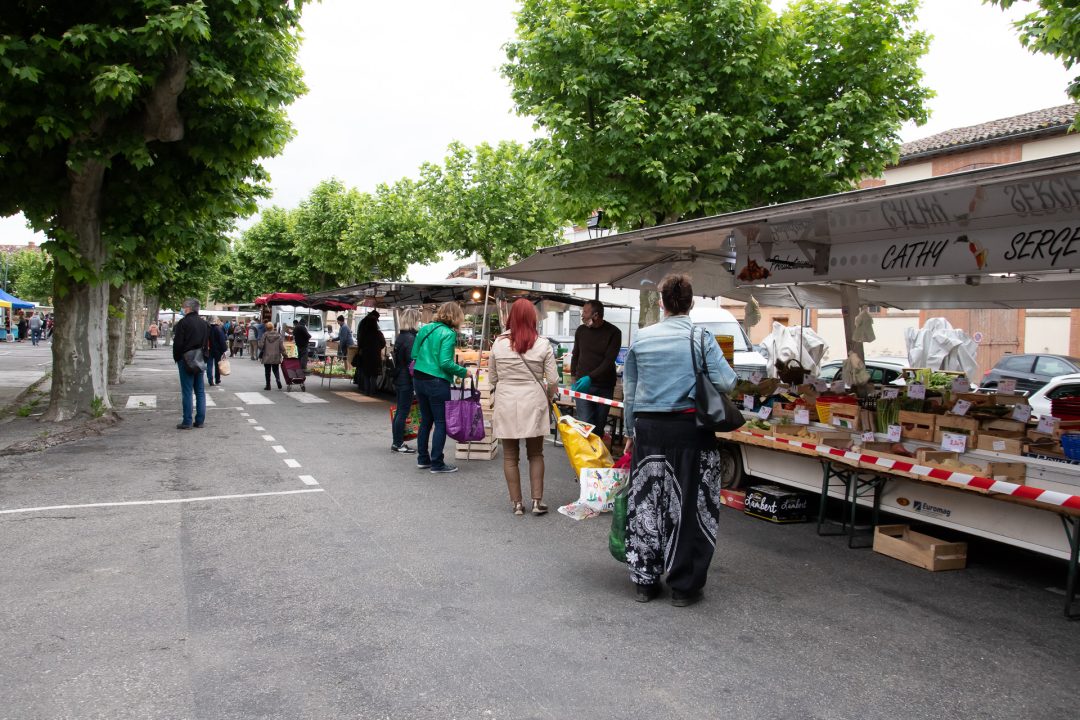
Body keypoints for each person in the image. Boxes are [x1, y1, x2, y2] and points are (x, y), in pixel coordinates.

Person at [622, 274, 736, 607]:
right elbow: (726, 382)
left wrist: (629, 432)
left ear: (662, 303)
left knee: (647, 502)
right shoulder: (701, 337)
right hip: (691, 431)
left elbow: (630, 391)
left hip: (649, 431)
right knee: (690, 506)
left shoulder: (642, 338)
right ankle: (684, 587)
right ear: (691, 302)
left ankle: (645, 581)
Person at [489, 299, 559, 516]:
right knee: (536, 453)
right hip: (534, 400)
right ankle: (537, 501)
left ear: (511, 317)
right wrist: (548, 396)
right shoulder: (543, 344)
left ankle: (517, 504)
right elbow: (553, 380)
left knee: (510, 456)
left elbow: (492, 378)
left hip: (506, 401)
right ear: (532, 318)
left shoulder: (498, 343)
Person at [411, 301, 471, 474]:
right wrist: (463, 372)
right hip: (437, 381)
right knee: (440, 422)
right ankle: (437, 463)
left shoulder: (425, 328)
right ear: (456, 316)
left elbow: (414, 354)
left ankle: (423, 459)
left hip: (419, 378)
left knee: (426, 421)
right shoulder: (449, 333)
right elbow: (445, 363)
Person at [571, 300, 622, 438]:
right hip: (583, 385)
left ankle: (595, 451)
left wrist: (591, 377)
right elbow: (575, 355)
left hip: (604, 387)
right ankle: (585, 452)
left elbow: (609, 361)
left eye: (585, 312)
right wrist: (573, 378)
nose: (582, 315)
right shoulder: (581, 330)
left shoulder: (614, 332)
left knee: (598, 428)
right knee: (586, 425)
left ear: (596, 315)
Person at [172, 297, 209, 430]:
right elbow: (206, 342)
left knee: (187, 391)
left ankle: (187, 421)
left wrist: (177, 357)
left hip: (186, 358)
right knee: (200, 391)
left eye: (183, 307)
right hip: (199, 358)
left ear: (188, 308)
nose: (182, 309)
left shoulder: (183, 323)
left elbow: (178, 343)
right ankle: (200, 420)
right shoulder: (204, 323)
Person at [390, 309, 420, 454]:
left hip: (399, 377)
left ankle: (397, 442)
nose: (419, 322)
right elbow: (412, 363)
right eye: (417, 319)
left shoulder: (401, 336)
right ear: (413, 320)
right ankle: (398, 443)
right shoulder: (410, 338)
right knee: (402, 411)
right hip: (406, 379)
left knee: (400, 411)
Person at [357, 310, 386, 395]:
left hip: (365, 356)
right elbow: (383, 343)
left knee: (366, 375)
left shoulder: (364, 334)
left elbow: (360, 344)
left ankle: (366, 391)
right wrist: (377, 348)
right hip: (375, 356)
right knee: (373, 375)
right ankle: (372, 391)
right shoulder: (378, 333)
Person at [259, 321, 286, 390]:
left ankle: (268, 385)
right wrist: (285, 354)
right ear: (273, 327)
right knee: (276, 369)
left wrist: (261, 346)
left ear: (266, 328)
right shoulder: (278, 335)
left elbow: (261, 345)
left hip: (267, 355)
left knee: (267, 371)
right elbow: (281, 346)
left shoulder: (265, 335)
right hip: (276, 355)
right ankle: (278, 380)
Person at [206, 317, 228, 386]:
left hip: (209, 350)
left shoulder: (206, 329)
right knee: (217, 365)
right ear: (215, 321)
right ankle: (217, 379)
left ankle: (210, 380)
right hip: (217, 350)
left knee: (209, 365)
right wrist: (224, 349)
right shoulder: (218, 329)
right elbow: (222, 340)